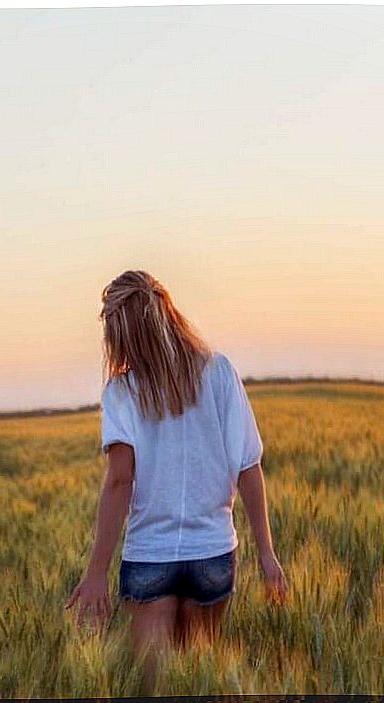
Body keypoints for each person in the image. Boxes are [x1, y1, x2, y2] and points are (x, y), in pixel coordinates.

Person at [65, 269, 288, 690]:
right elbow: (248, 466)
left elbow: (119, 481)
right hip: (213, 554)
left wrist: (96, 573)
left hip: (150, 555)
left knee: (158, 688)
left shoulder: (122, 390)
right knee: (198, 684)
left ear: (120, 334)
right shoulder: (219, 372)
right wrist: (267, 555)